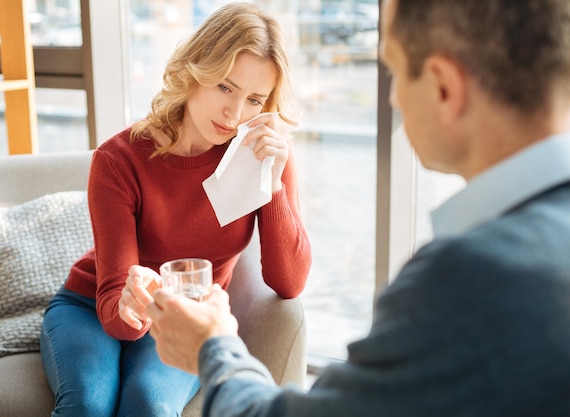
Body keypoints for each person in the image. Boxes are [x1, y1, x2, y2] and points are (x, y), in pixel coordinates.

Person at [144, 0, 570, 415]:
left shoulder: (466, 276)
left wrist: (213, 349)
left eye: (395, 72)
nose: (394, 100)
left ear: (443, 87)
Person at [39, 3, 311, 416]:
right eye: (224, 86)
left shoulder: (263, 156)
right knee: (89, 405)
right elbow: (113, 306)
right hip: (93, 308)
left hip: (187, 314)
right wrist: (133, 306)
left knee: (149, 402)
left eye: (254, 99)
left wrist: (272, 187)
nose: (234, 114)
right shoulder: (119, 159)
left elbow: (288, 282)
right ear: (195, 70)